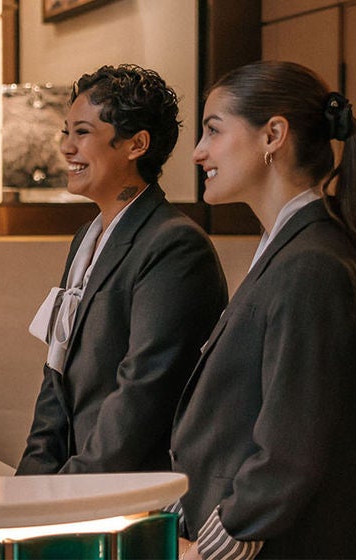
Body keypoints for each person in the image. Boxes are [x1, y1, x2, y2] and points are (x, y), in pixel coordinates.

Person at [171, 61, 356, 558]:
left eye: (213, 130)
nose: (198, 152)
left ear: (273, 136)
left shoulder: (312, 263)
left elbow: (292, 448)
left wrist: (210, 548)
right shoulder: (289, 249)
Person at [16, 64, 226, 475]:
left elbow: (142, 396)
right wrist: (28, 485)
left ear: (136, 144)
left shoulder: (174, 246)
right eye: (66, 132)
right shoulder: (87, 239)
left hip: (131, 490)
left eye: (82, 132)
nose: (66, 147)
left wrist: (63, 492)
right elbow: (55, 383)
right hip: (81, 488)